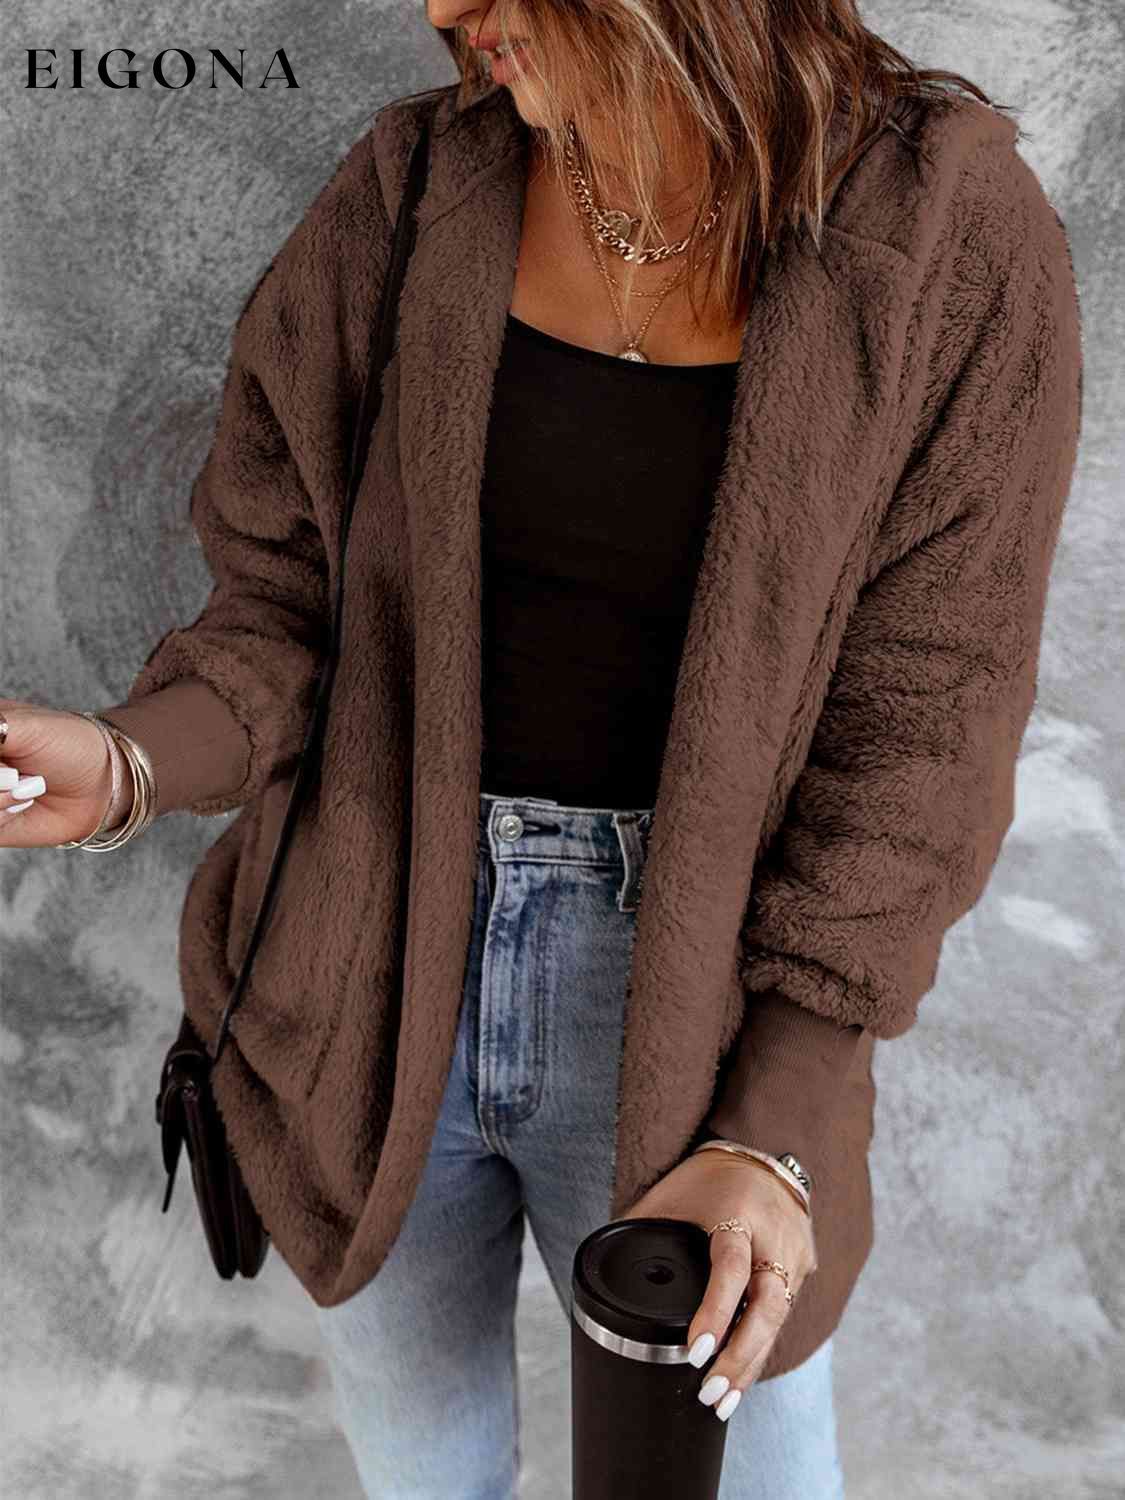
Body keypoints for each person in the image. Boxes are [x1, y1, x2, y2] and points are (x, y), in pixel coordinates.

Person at [0, 2, 1083, 1496]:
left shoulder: (948, 237)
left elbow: (926, 727)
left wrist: (772, 1128)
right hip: (366, 979)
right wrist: (126, 763)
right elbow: (286, 599)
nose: (444, 9)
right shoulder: (410, 193)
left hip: (701, 1017)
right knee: (425, 1472)